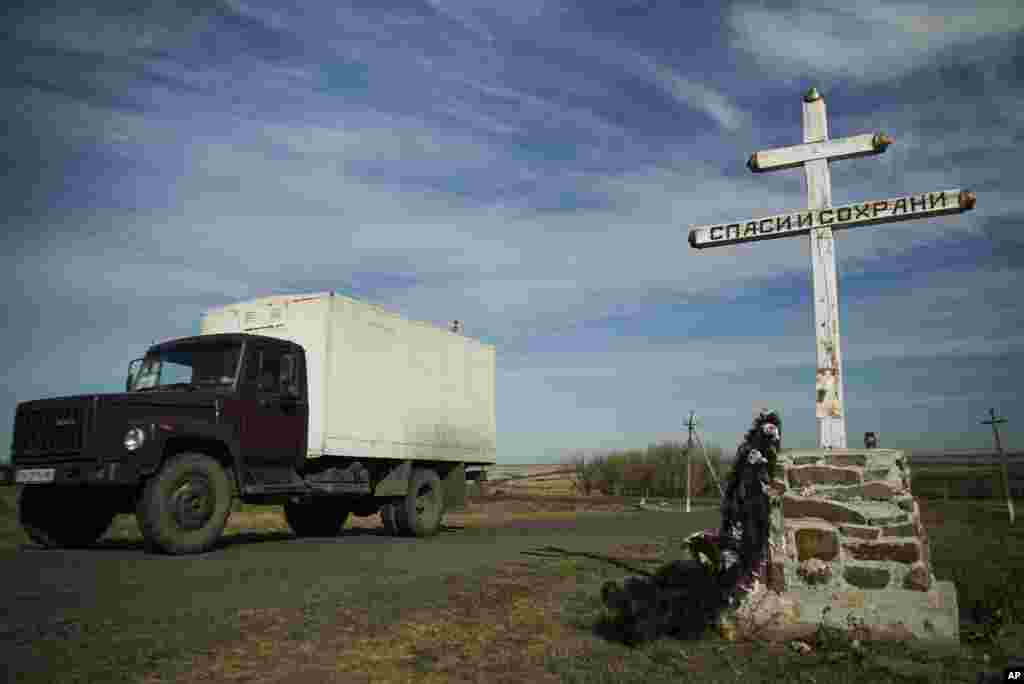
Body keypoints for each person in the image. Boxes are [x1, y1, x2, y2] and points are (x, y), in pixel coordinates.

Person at [687, 409, 783, 607]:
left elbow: (771, 476)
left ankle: (737, 590)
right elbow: (737, 477)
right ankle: (726, 590)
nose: (771, 432)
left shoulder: (771, 451)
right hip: (741, 508)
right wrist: (732, 501)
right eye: (768, 427)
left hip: (757, 511)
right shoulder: (748, 449)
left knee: (752, 549)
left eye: (774, 429)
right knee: (734, 548)